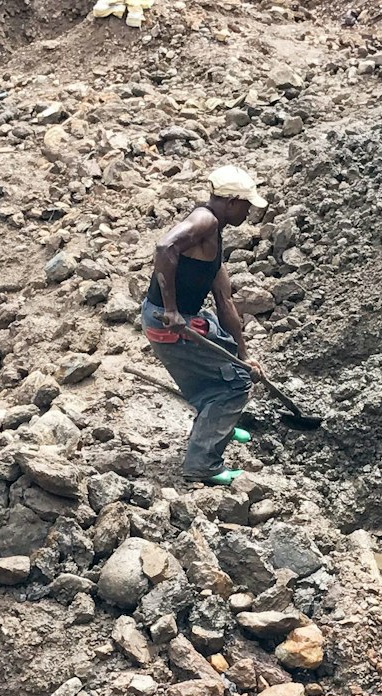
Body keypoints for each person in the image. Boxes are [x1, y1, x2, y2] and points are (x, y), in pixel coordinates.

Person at [140, 166, 267, 486]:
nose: (249, 211)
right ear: (231, 202)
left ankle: (218, 421)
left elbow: (225, 303)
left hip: (184, 318)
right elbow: (164, 247)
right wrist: (171, 310)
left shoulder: (213, 233)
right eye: (246, 205)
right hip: (167, 323)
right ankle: (203, 465)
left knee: (229, 357)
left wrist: (243, 353)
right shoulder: (205, 221)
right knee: (235, 386)